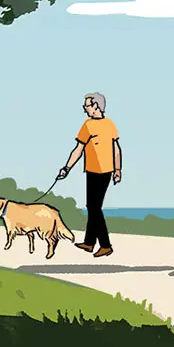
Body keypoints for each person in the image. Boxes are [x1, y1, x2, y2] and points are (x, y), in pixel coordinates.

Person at [59, 92, 121, 258]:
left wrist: (117, 170)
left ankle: (105, 245)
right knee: (92, 207)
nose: (85, 109)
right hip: (92, 170)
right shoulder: (87, 125)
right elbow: (78, 150)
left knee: (94, 208)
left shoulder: (109, 125)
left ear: (96, 106)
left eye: (87, 105)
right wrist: (67, 168)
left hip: (105, 172)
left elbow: (116, 149)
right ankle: (89, 242)